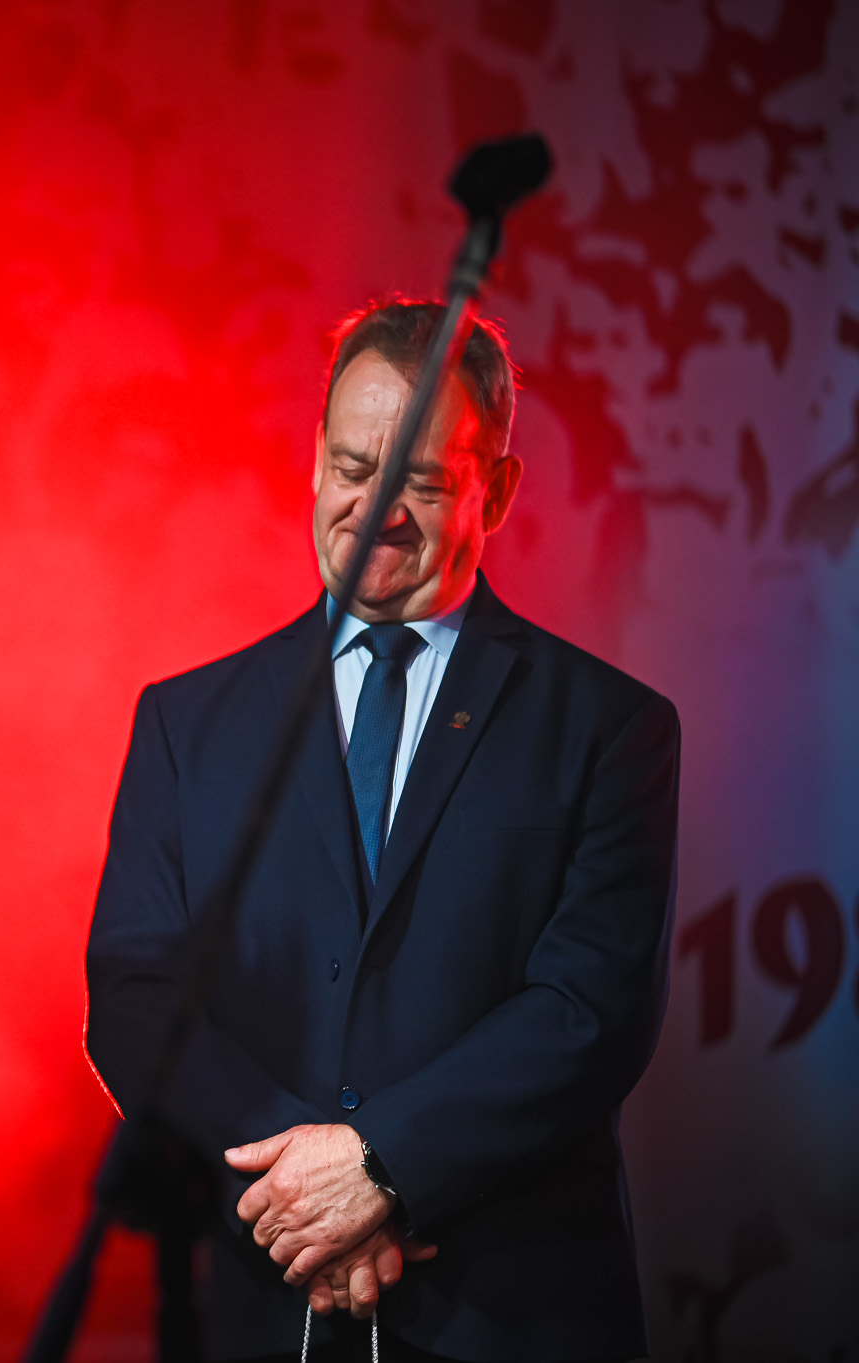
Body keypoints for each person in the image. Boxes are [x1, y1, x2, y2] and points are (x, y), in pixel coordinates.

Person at [85, 300, 679, 1362]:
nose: (376, 512)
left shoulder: (609, 728)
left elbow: (589, 1012)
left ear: (498, 490)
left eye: (422, 482)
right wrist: (299, 1192)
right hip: (262, 1304)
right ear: (314, 455)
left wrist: (380, 1166)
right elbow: (135, 998)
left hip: (512, 1320)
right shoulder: (186, 723)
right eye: (353, 468)